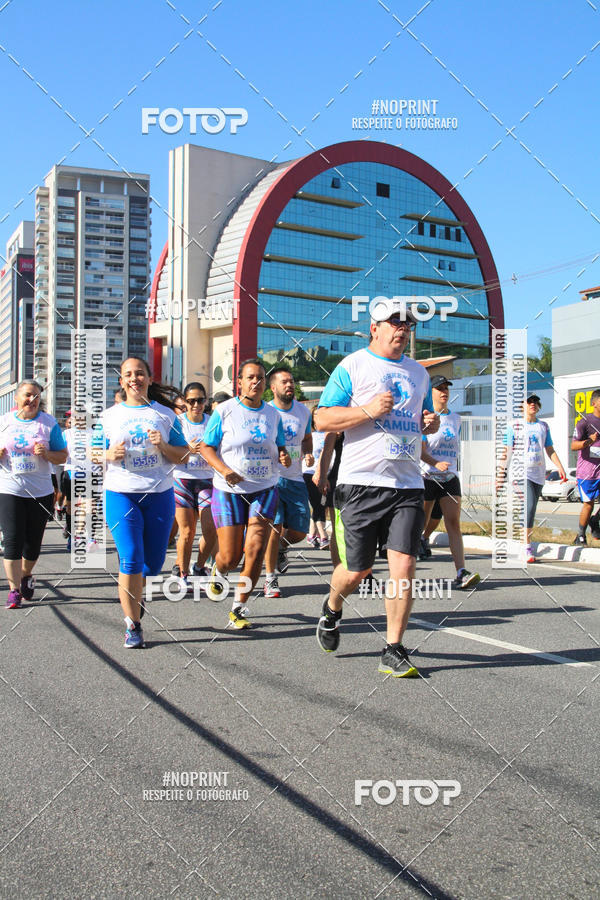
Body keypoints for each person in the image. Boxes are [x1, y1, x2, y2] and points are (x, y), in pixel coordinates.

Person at [314, 299, 439, 677]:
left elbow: (420, 420)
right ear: (375, 328)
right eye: (394, 322)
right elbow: (322, 418)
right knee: (357, 570)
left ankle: (394, 648)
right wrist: (367, 410)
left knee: (404, 564)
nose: (402, 329)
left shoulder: (419, 374)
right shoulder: (353, 366)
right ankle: (333, 607)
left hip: (407, 483)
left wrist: (428, 423)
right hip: (361, 483)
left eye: (407, 324)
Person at [100, 358, 187, 648]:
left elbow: (184, 455)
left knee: (152, 564)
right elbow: (90, 452)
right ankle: (133, 624)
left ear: (149, 378)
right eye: (128, 374)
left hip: (159, 494)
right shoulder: (109, 416)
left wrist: (163, 446)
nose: (134, 378)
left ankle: (135, 600)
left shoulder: (165, 415)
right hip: (120, 493)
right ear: (122, 381)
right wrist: (106, 455)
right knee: (131, 558)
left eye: (140, 373)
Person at [200, 358, 290, 628]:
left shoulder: (273, 415)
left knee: (255, 548)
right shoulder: (225, 411)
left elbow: (281, 446)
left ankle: (238, 609)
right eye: (250, 377)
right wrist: (224, 470)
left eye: (260, 378)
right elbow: (206, 447)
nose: (256, 382)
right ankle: (219, 568)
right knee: (231, 556)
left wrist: (284, 456)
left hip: (265, 488)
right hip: (229, 490)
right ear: (239, 382)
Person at [0, 380, 67, 609]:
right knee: (12, 541)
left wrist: (47, 454)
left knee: (32, 545)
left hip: (40, 492)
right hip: (10, 489)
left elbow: (63, 456)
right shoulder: (4, 422)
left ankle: (26, 574)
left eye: (36, 396)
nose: (32, 400)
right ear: (17, 398)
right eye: (28, 395)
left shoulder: (48, 424)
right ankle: (14, 590)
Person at [419, 376, 480, 588]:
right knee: (422, 524)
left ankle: (461, 571)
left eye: (446, 388)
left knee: (453, 523)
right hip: (427, 475)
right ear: (430, 393)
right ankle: (413, 554)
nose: (444, 392)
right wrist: (435, 463)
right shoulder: (424, 418)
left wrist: (445, 466)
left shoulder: (456, 418)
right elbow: (419, 449)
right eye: (439, 389)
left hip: (450, 476)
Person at [263, 367, 312, 598]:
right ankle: (270, 578)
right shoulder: (266, 412)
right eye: (284, 382)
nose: (289, 385)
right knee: (275, 527)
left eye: (291, 381)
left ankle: (282, 548)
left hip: (296, 477)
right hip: (272, 479)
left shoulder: (303, 411)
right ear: (273, 387)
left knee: (300, 531)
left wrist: (309, 453)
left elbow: (307, 437)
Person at [499, 394, 567, 562]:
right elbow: (506, 451)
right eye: (529, 402)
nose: (533, 404)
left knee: (531, 508)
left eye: (536, 402)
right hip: (520, 473)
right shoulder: (513, 426)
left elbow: (549, 449)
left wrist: (560, 466)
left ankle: (524, 542)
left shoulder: (543, 426)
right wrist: (501, 474)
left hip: (538, 474)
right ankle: (526, 547)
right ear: (522, 405)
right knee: (528, 506)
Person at [171, 382, 216, 584]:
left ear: (206, 401)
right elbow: (169, 451)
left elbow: (221, 448)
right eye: (191, 401)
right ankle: (183, 574)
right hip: (182, 480)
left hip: (207, 480)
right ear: (185, 403)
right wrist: (186, 449)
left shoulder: (213, 421)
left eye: (199, 400)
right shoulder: (177, 422)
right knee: (187, 532)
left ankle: (199, 566)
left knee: (210, 530)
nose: (196, 405)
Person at [571, 387, 600, 546]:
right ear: (594, 403)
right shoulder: (584, 422)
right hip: (587, 472)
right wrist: (590, 440)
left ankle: (595, 521)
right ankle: (580, 534)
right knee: (589, 504)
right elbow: (573, 446)